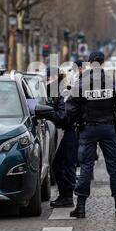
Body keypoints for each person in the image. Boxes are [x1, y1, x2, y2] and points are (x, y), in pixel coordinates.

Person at [66, 51, 116, 219]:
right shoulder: (112, 81)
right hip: (108, 128)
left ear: (89, 63)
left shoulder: (81, 83)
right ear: (103, 63)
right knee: (113, 166)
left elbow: (70, 109)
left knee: (86, 166)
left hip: (87, 129)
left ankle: (80, 207)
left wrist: (74, 120)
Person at [46, 67, 79, 208]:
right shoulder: (59, 89)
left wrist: (50, 113)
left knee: (65, 165)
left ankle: (68, 198)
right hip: (70, 131)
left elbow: (62, 116)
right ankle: (64, 196)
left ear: (55, 77)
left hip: (72, 131)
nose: (47, 81)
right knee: (59, 164)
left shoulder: (63, 90)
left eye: (49, 78)